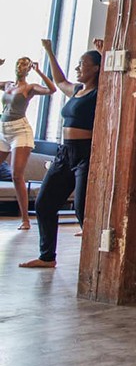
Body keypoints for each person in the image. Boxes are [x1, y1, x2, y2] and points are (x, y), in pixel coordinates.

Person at [20, 39, 100, 268]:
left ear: (95, 68)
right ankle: (47, 257)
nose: (77, 68)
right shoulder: (76, 90)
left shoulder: (100, 93)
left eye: (82, 64)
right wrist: (49, 52)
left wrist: (104, 53)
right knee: (44, 204)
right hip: (65, 153)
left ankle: (97, 259)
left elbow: (114, 82)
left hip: (86, 155)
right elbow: (59, 81)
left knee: (82, 209)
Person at [1, 56, 55, 229]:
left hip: (20, 131)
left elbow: (51, 89)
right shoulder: (8, 85)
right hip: (3, 130)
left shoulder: (30, 88)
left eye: (24, 66)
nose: (20, 68)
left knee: (17, 175)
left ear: (28, 69)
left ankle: (25, 219)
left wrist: (40, 72)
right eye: (19, 64)